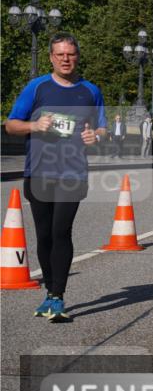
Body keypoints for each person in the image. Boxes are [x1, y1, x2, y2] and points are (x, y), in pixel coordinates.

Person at [5, 32, 107, 322]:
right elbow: (11, 125)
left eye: (71, 54)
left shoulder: (90, 91)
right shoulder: (36, 88)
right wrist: (35, 125)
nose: (66, 59)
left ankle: (57, 296)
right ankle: (50, 290)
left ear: (77, 56)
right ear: (51, 57)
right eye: (60, 54)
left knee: (61, 231)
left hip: (73, 172)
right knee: (45, 234)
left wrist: (95, 136)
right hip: (39, 171)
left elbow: (102, 127)